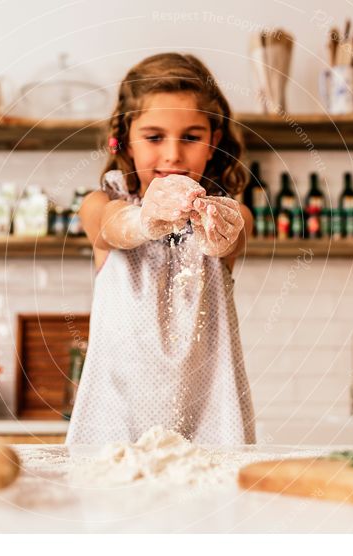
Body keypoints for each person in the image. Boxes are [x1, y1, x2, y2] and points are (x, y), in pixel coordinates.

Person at [65, 52, 256, 445]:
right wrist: (144, 220)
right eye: (154, 137)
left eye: (191, 136)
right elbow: (110, 227)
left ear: (213, 142)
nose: (172, 154)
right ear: (125, 141)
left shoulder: (228, 214)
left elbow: (235, 236)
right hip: (115, 423)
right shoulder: (100, 204)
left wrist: (219, 233)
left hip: (209, 425)